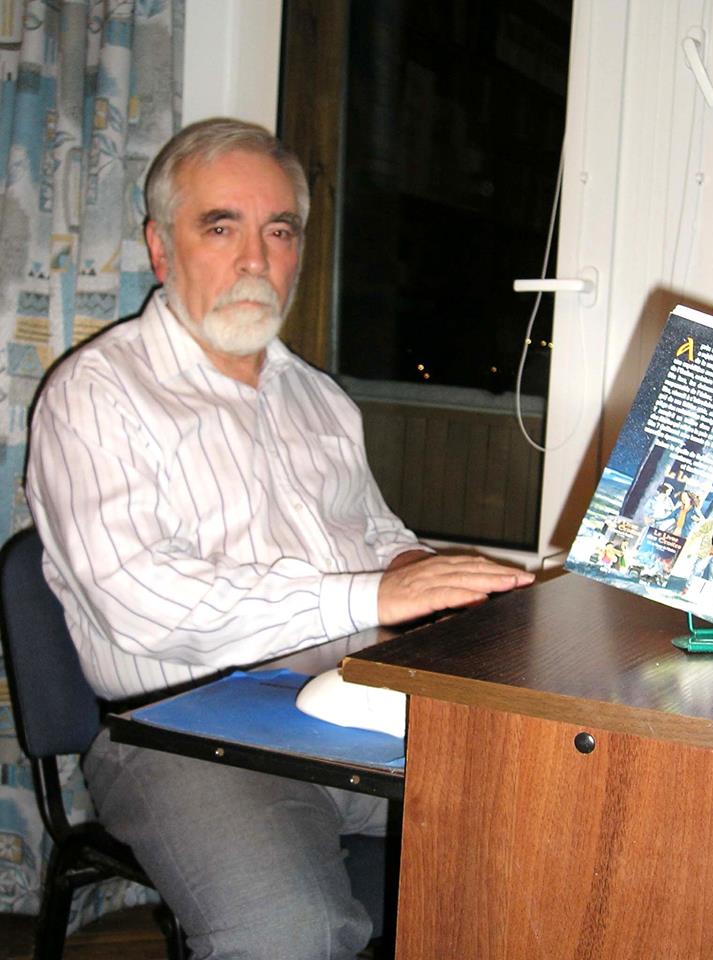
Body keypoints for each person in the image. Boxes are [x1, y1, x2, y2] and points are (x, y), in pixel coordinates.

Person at [25, 117, 534, 960]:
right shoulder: (95, 395)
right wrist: (371, 594)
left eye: (280, 231)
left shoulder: (320, 399)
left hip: (342, 710)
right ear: (160, 248)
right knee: (292, 934)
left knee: (557, 828)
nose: (255, 260)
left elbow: (374, 534)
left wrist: (430, 572)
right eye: (220, 227)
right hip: (183, 735)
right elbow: (140, 603)